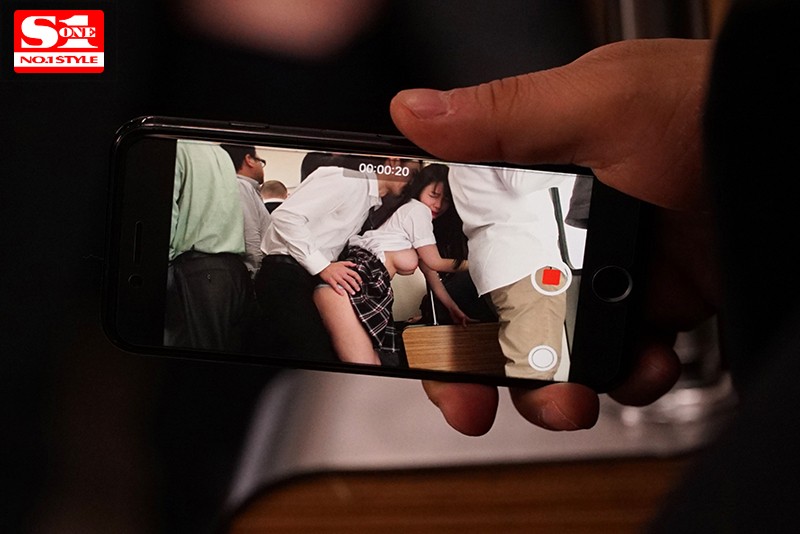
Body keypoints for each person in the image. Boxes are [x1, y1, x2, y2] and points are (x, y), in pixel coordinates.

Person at [391, 1, 800, 527]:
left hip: (535, 261)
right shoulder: (465, 187)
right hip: (526, 265)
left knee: (557, 358)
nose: (434, 205)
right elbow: (521, 196)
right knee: (554, 356)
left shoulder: (463, 184)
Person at [253, 157, 420, 361]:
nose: (412, 182)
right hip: (285, 276)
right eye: (412, 173)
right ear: (393, 163)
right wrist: (323, 266)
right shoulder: (346, 179)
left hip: (302, 277)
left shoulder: (369, 201)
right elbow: (285, 217)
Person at [313, 163, 472, 366]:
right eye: (434, 195)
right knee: (371, 371)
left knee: (377, 368)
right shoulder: (417, 209)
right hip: (355, 286)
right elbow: (435, 262)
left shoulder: (405, 217)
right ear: (419, 188)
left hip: (362, 288)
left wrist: (452, 308)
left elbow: (430, 270)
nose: (438, 205)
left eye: (446, 200)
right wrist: (478, 264)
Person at [447, 164, 574, 380]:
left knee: (533, 367)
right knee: (534, 371)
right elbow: (520, 180)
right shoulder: (495, 145)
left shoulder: (460, 160)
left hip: (518, 265)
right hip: (527, 264)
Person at [165, 140, 252, 351]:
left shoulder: (179, 146)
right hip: (233, 269)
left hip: (196, 271)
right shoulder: (221, 153)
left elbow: (168, 212)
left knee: (191, 358)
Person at [220, 144, 273, 276]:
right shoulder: (241, 186)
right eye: (260, 161)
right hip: (251, 273)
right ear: (249, 159)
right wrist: (256, 273)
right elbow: (251, 237)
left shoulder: (235, 186)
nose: (261, 166)